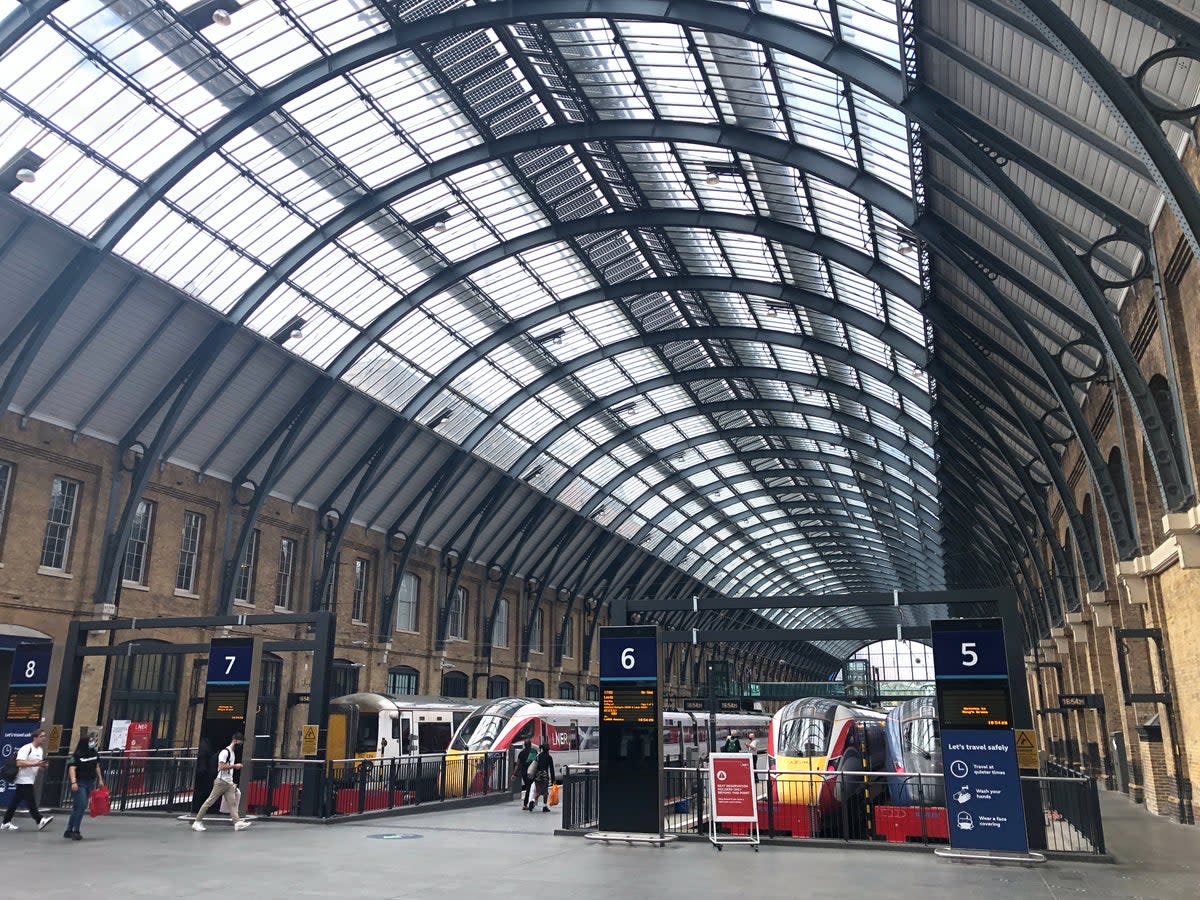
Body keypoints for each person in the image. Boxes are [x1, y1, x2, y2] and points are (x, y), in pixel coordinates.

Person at [191, 733, 251, 832]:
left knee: (232, 803)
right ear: (235, 740)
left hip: (228, 782)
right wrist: (235, 766)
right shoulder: (225, 752)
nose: (240, 745)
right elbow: (221, 767)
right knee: (209, 801)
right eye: (240, 743)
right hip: (221, 782)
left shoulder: (232, 753)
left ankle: (237, 822)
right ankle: (197, 821)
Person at [1, 728, 53, 832]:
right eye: (42, 736)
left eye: (44, 736)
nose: (44, 738)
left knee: (15, 801)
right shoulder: (26, 748)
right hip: (22, 778)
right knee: (31, 801)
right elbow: (19, 763)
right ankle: (39, 820)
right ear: (35, 737)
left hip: (30, 779)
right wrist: (36, 763)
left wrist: (42, 766)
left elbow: (37, 764)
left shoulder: (40, 750)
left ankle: (5, 822)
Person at [64, 731, 105, 841]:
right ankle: (76, 830)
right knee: (81, 806)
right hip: (79, 782)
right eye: (90, 741)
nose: (92, 743)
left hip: (90, 782)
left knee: (77, 807)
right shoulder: (76, 755)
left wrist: (100, 779)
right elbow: (72, 768)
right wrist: (73, 782)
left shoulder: (94, 754)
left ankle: (68, 830)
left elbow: (97, 766)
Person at [528, 743, 555, 812]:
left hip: (538, 775)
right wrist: (553, 780)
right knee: (545, 792)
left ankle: (533, 800)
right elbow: (551, 769)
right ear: (548, 749)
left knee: (538, 791)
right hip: (545, 776)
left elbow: (535, 765)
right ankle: (544, 806)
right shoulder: (549, 757)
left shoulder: (539, 756)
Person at [516, 740, 537, 809]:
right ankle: (528, 803)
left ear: (524, 745)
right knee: (530, 787)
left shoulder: (521, 753)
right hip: (531, 772)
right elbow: (536, 762)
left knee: (528, 787)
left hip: (524, 772)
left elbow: (518, 764)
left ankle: (527, 803)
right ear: (530, 744)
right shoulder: (534, 751)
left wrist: (514, 774)